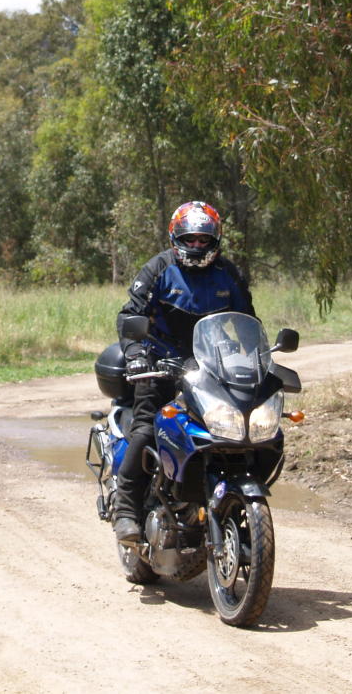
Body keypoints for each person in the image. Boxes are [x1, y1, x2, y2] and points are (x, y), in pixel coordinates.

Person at [111, 200, 256, 544]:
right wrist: (136, 356)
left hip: (211, 367)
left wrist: (256, 358)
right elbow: (129, 315)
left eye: (204, 239)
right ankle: (126, 510)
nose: (196, 245)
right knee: (146, 430)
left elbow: (247, 320)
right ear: (176, 238)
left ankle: (216, 493)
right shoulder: (159, 268)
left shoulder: (228, 273)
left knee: (236, 429)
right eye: (189, 238)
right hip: (161, 363)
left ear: (215, 240)